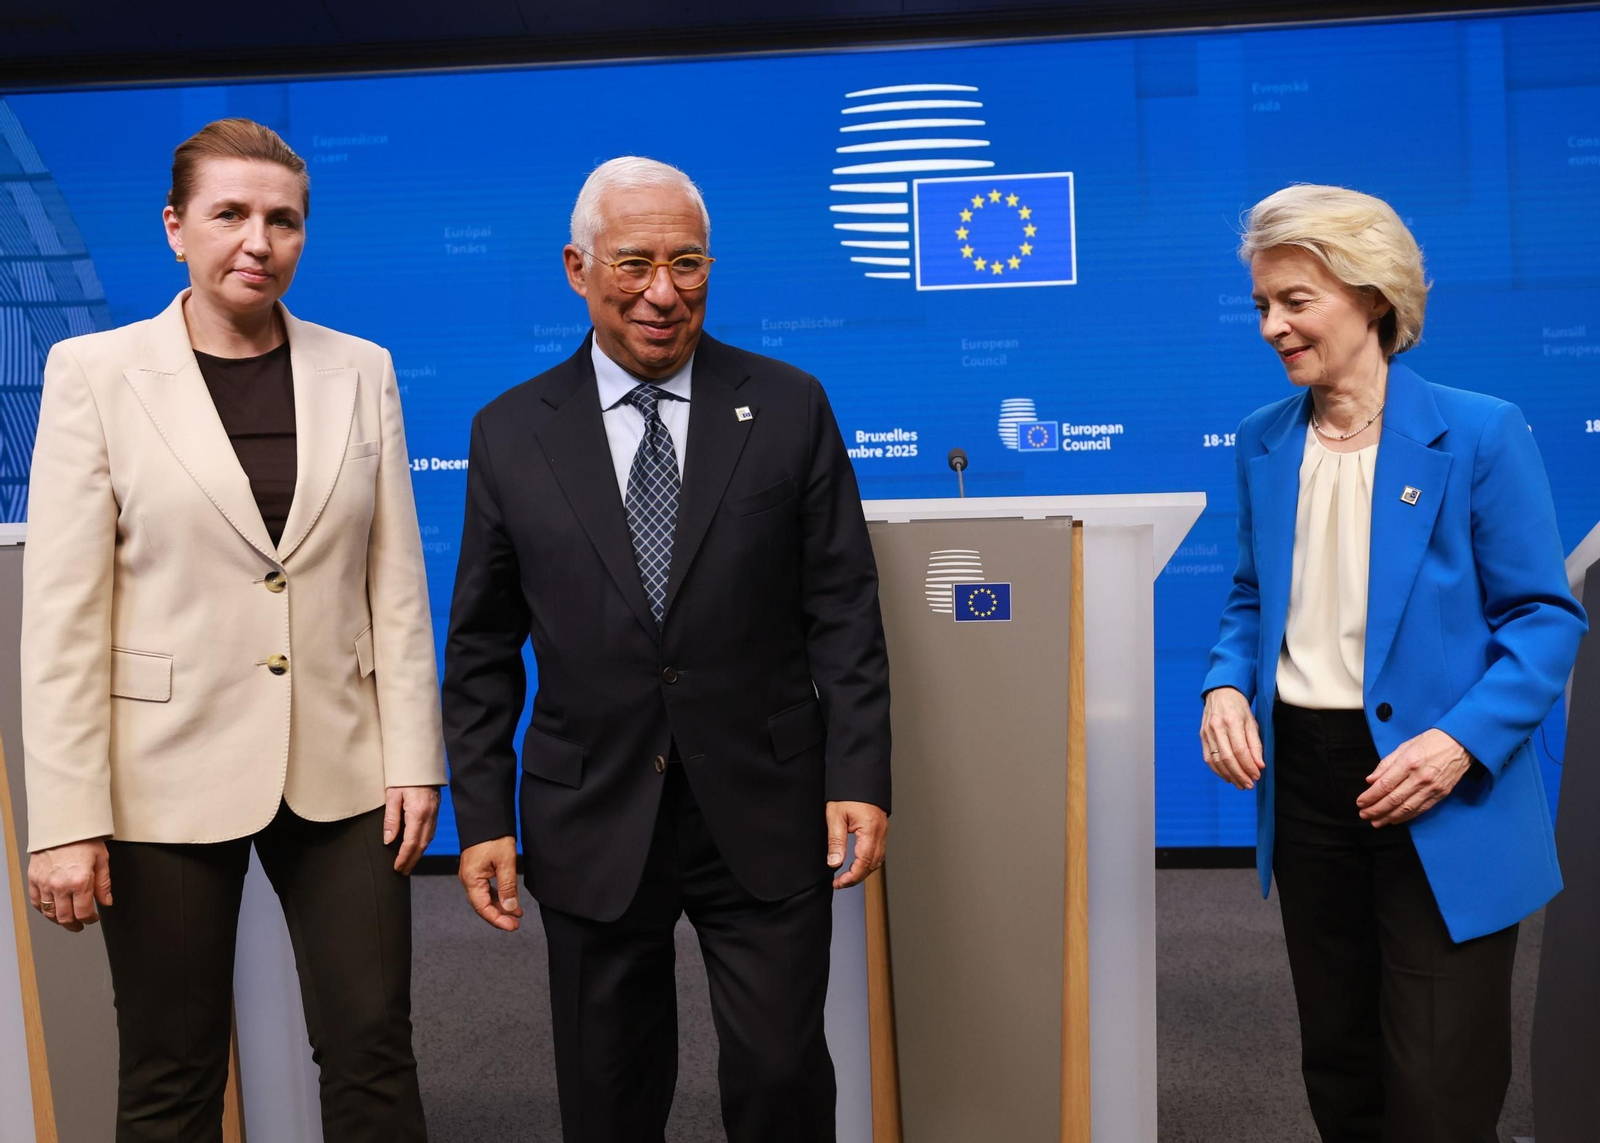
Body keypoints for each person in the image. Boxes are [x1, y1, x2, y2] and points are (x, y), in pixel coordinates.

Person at [443, 156, 892, 1143]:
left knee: (781, 1075)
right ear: (577, 267)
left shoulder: (786, 405)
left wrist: (858, 774)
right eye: (634, 262)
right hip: (590, 809)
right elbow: (480, 644)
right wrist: (481, 815)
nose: (662, 292)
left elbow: (843, 608)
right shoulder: (511, 431)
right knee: (608, 1092)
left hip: (763, 801)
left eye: (686, 263)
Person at [21, 118, 445, 1142]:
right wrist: (65, 818)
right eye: (231, 215)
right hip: (160, 771)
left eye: (283, 219)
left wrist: (416, 757)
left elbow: (395, 581)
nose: (258, 240)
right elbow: (64, 616)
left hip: (343, 766)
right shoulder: (95, 373)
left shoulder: (362, 369)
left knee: (372, 1046)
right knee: (171, 1067)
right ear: (176, 229)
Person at [1200, 183, 1587, 1142]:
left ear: (1373, 296)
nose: (1272, 328)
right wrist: (1221, 680)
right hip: (1307, 781)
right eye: (1261, 306)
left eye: (1295, 301)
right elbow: (1251, 599)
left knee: (1439, 1068)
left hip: (1439, 779)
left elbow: (1543, 618)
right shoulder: (1262, 442)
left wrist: (1457, 743)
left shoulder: (1480, 430)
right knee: (1339, 1054)